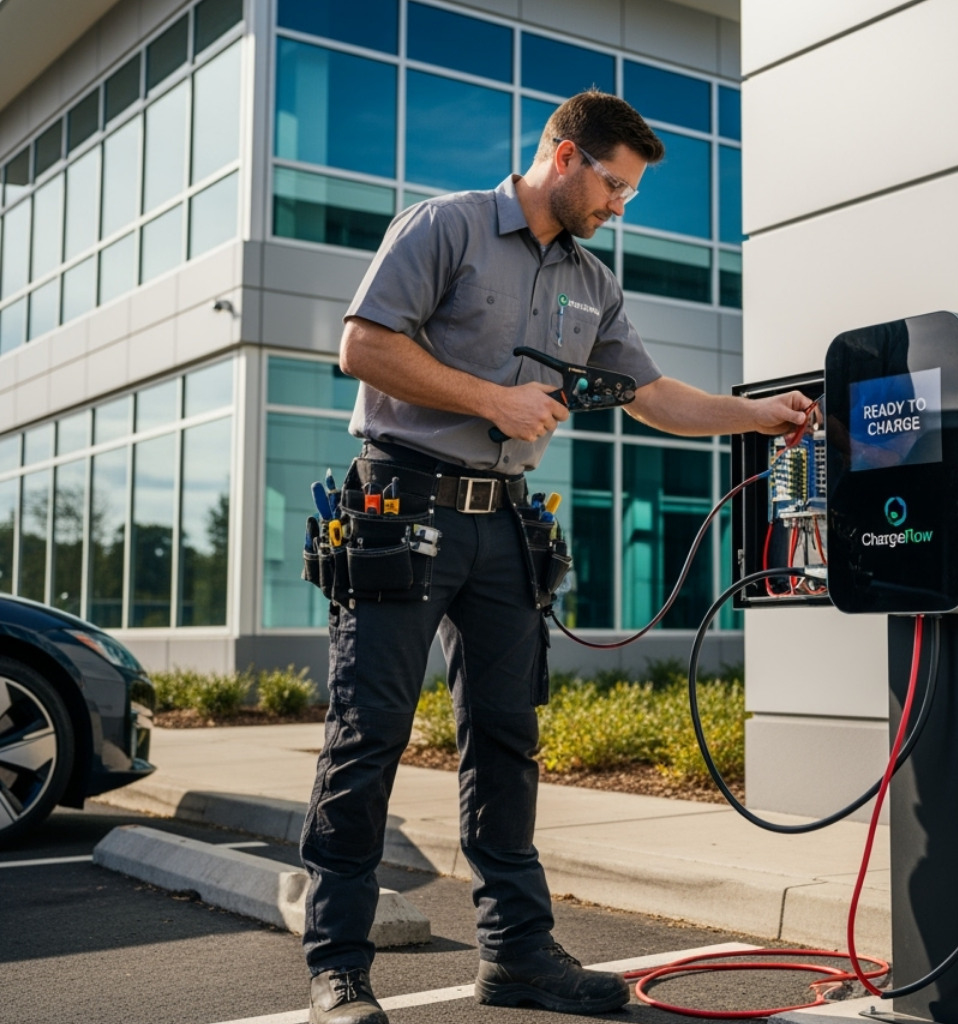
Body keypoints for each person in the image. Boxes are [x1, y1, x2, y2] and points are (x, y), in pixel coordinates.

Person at [301, 90, 809, 1024]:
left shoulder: (595, 283)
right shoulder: (447, 226)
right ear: (566, 157)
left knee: (506, 739)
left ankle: (519, 958)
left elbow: (651, 394)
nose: (622, 205)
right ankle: (339, 967)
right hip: (401, 502)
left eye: (632, 192)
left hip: (504, 525)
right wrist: (494, 401)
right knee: (368, 732)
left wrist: (759, 416)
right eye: (615, 185)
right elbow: (363, 345)